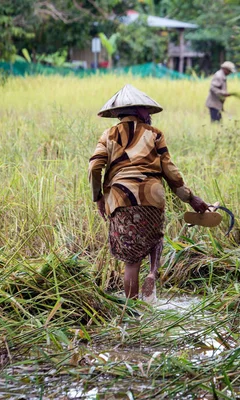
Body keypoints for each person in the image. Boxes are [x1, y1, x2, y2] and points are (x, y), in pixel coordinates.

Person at [89, 84, 209, 301]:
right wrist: (191, 199)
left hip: (121, 198)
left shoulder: (109, 134)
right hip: (152, 196)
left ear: (118, 114)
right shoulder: (155, 134)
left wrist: (98, 197)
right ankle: (152, 273)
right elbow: (170, 172)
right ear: (140, 111)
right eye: (146, 112)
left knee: (131, 261)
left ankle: (133, 311)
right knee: (155, 237)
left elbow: (94, 167)